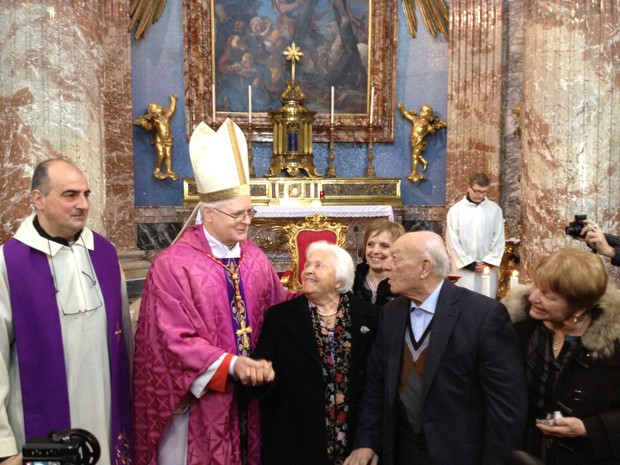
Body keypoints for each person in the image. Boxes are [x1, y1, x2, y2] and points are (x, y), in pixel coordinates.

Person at [133, 119, 292, 465]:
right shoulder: (173, 265)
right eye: (237, 214)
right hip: (201, 405)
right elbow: (170, 341)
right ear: (207, 214)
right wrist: (232, 365)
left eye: (250, 212)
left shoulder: (255, 258)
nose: (246, 221)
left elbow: (279, 307)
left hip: (250, 402)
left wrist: (315, 294)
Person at [344, 231, 527, 465]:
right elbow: (376, 386)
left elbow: (506, 408)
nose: (387, 266)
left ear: (424, 267)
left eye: (395, 259)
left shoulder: (483, 315)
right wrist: (367, 441)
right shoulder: (391, 314)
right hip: (401, 452)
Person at [0, 158, 133, 465]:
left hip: (106, 415)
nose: (82, 204)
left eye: (86, 194)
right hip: (36, 429)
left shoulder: (105, 254)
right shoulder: (10, 263)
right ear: (38, 199)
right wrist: (5, 447)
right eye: (70, 195)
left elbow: (125, 339)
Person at [252, 241, 379, 465]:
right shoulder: (281, 316)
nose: (308, 270)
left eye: (319, 266)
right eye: (307, 265)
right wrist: (261, 372)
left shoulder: (370, 316)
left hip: (355, 441)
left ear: (339, 280)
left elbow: (377, 382)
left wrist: (369, 440)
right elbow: (263, 362)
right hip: (296, 440)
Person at [502, 247, 620, 465]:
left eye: (548, 295)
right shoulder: (519, 324)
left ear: (579, 307)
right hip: (524, 452)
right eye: (536, 284)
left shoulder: (614, 341)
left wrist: (590, 428)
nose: (534, 296)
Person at [445, 172, 505, 297]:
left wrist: (488, 262)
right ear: (468, 187)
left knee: (487, 304)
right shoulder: (456, 211)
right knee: (463, 305)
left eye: (484, 192)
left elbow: (499, 238)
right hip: (463, 270)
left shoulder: (494, 210)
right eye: (477, 191)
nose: (480, 195)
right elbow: (452, 241)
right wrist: (468, 263)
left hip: (486, 270)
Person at [352, 219, 405, 305]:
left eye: (384, 246)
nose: (375, 251)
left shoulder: (405, 287)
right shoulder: (351, 282)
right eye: (370, 244)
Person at [397, 102, 447, 183]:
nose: (421, 113)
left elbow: (432, 131)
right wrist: (402, 109)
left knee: (414, 156)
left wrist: (431, 129)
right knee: (415, 155)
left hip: (419, 142)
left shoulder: (426, 123)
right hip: (413, 140)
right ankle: (424, 162)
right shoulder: (416, 119)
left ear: (428, 114)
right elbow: (407, 115)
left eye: (424, 112)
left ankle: (414, 172)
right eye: (421, 111)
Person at [133, 93, 179, 180]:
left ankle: (169, 170)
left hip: (168, 139)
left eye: (158, 105)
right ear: (153, 111)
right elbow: (145, 124)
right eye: (157, 107)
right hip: (159, 140)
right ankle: (157, 170)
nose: (160, 107)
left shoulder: (165, 117)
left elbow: (171, 110)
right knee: (161, 154)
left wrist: (173, 100)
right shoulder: (155, 120)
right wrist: (144, 122)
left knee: (168, 155)